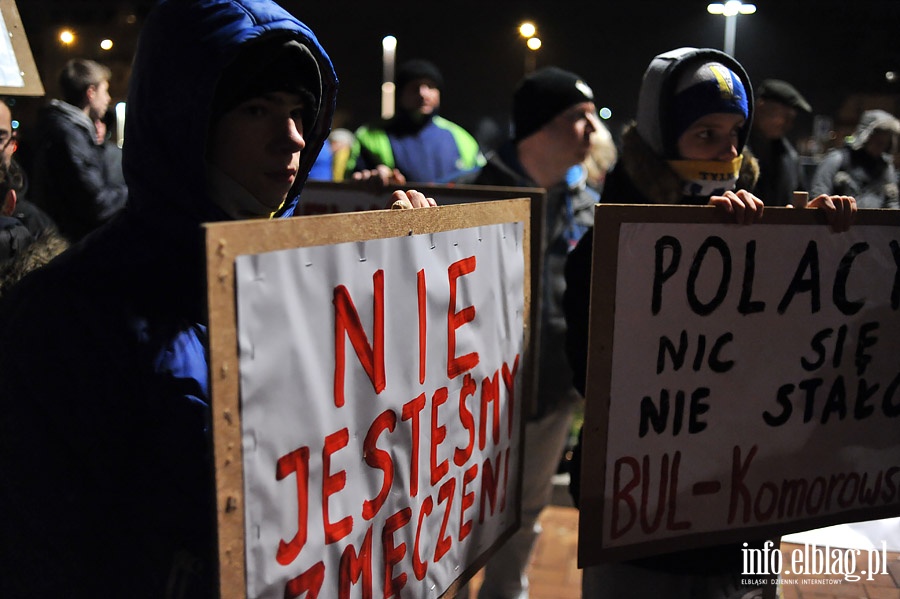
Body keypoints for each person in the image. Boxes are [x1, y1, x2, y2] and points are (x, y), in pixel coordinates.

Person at [563, 47, 856, 599]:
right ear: (661, 140)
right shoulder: (606, 250)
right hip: (645, 532)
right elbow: (597, 377)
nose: (728, 152)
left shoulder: (763, 234)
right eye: (705, 134)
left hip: (747, 528)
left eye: (736, 133)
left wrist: (826, 248)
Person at [456, 65, 600, 599]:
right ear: (541, 125)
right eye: (579, 118)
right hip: (472, 404)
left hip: (548, 398)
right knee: (460, 517)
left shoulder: (586, 204)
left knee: (526, 514)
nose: (592, 131)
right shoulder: (472, 196)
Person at [30, 58, 128, 242]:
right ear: (91, 93)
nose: (108, 98)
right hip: (70, 240)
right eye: (105, 91)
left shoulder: (67, 128)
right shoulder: (69, 134)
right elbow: (96, 204)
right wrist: (132, 190)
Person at [348, 58, 484, 183]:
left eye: (430, 86)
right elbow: (350, 185)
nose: (423, 94)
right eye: (414, 87)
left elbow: (483, 180)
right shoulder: (370, 135)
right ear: (400, 94)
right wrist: (370, 178)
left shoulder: (461, 137)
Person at [810, 108, 900, 208]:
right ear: (867, 136)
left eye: (886, 139)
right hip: (840, 220)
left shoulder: (886, 168)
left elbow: (892, 202)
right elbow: (818, 197)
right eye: (878, 136)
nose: (882, 142)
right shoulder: (837, 159)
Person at [746, 79, 813, 206]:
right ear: (761, 107)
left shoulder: (790, 157)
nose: (788, 125)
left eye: (792, 119)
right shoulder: (733, 147)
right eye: (785, 117)